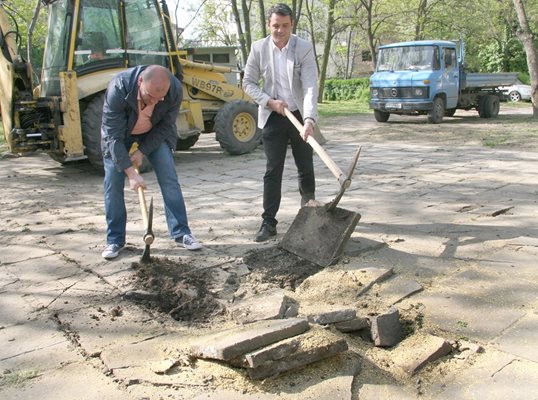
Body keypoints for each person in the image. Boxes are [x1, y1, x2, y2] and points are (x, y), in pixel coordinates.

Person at [101, 65, 201, 259]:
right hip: (120, 136)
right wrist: (131, 173)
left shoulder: (173, 89)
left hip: (154, 134)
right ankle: (114, 240)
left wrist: (142, 151)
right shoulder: (118, 89)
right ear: (140, 83)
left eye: (160, 97)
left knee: (169, 178)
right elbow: (112, 137)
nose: (156, 101)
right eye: (150, 96)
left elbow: (166, 126)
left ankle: (182, 233)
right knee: (113, 183)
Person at [242, 3, 319, 242]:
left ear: (291, 24)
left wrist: (308, 119)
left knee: (305, 166)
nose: (280, 31)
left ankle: (309, 216)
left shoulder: (304, 48)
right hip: (273, 115)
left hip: (298, 114)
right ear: (269, 25)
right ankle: (268, 223)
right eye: (276, 26)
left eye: (285, 26)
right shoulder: (259, 49)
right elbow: (248, 83)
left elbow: (309, 86)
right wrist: (269, 102)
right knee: (273, 169)